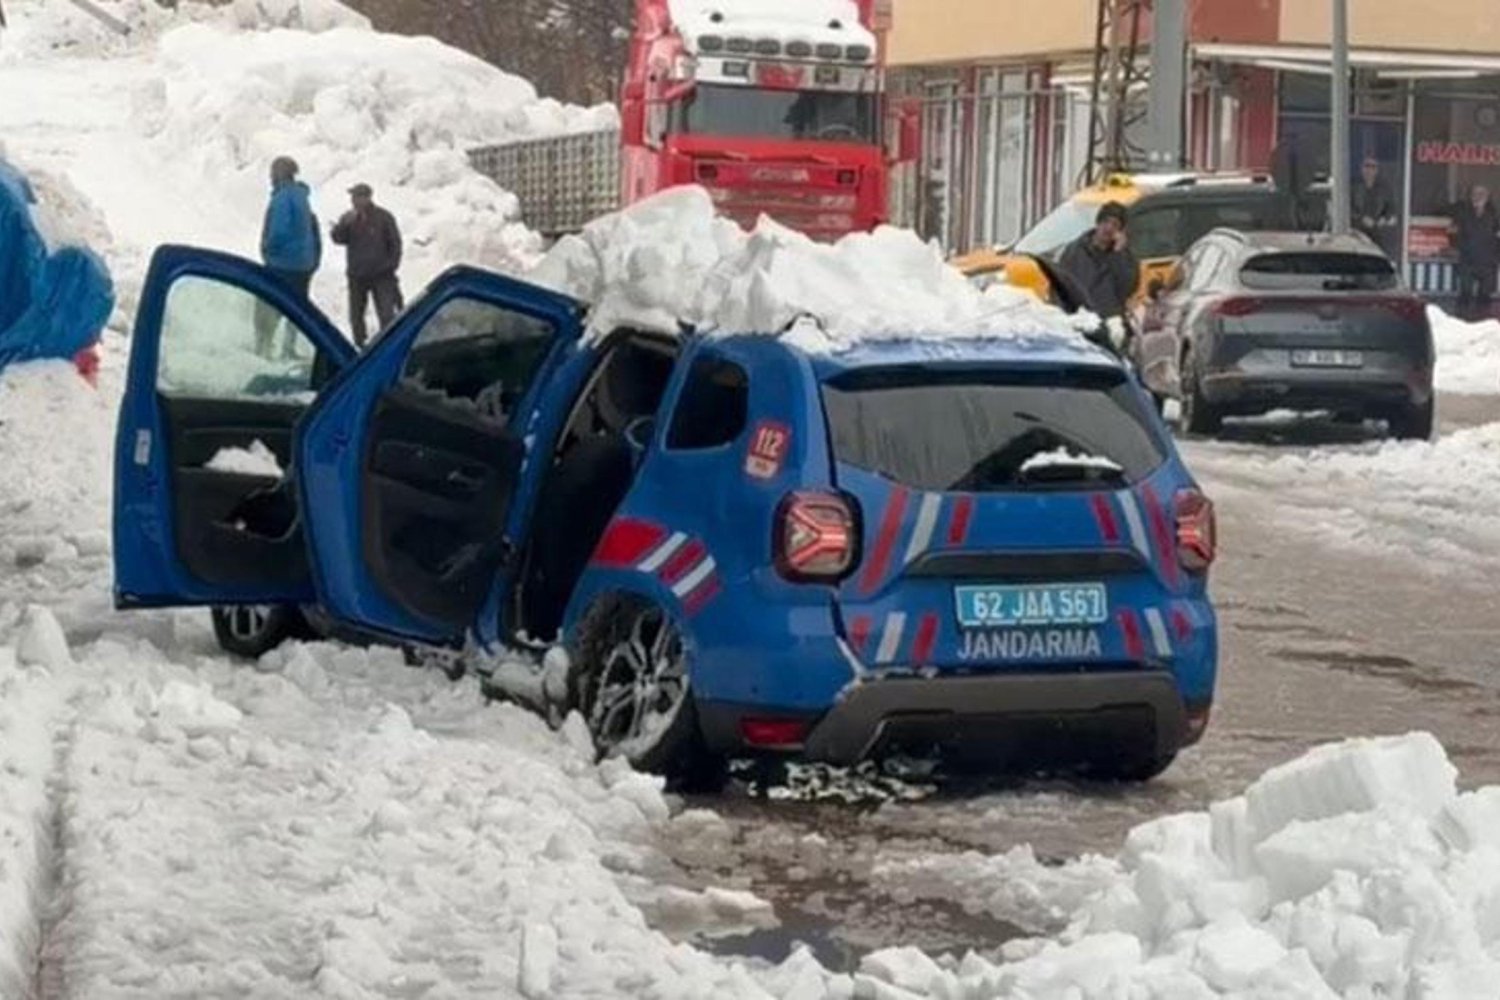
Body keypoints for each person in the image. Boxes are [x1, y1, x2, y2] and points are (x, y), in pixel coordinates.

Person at [256, 155, 321, 358]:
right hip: (304, 264)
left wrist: (267, 248)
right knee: (297, 308)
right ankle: (289, 348)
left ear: (280, 173)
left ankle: (263, 347)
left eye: (273, 172)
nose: (271, 177)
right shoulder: (303, 197)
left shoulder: (283, 197)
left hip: (282, 263)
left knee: (270, 304)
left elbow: (279, 230)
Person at [331, 183, 403, 348]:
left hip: (381, 275)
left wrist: (390, 266)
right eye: (353, 197)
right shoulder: (350, 218)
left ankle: (388, 344)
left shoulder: (383, 217)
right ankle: (360, 345)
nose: (353, 201)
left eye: (356, 197)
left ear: (367, 198)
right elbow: (338, 239)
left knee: (386, 313)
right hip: (357, 275)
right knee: (356, 315)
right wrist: (342, 225)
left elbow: (395, 243)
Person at [1058, 201, 1139, 324]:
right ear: (1098, 223)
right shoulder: (1075, 251)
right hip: (1080, 318)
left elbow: (1127, 289)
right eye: (1106, 222)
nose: (1109, 228)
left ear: (1120, 231)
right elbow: (1061, 285)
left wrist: (1118, 255)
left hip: (1110, 321)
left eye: (1115, 225)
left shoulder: (1125, 257)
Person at [1449, 185, 1500, 320]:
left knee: (1485, 295)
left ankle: (1482, 322)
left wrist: (1497, 255)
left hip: (1487, 261)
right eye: (1475, 194)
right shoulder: (1462, 214)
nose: (1478, 197)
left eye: (1482, 194)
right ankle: (1462, 320)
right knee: (1465, 293)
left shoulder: (1494, 215)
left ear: (1487, 197)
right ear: (1470, 196)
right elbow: (1452, 233)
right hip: (1467, 260)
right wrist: (1457, 247)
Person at [1352, 157, 1398, 258]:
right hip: (1357, 233)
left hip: (1377, 233)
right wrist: (1361, 219)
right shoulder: (1354, 187)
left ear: (1377, 170)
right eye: (1367, 166)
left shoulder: (1384, 189)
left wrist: (1384, 219)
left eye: (1373, 167)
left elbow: (1391, 209)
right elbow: (1347, 208)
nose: (1369, 170)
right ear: (1361, 169)